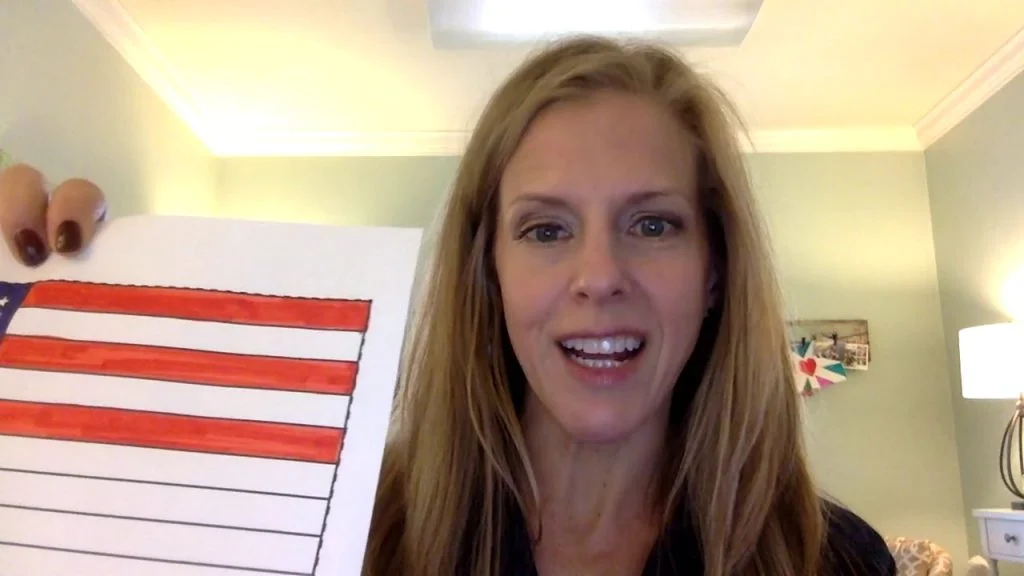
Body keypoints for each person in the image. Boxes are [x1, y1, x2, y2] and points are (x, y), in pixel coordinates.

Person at [0, 36, 896, 576]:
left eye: (653, 224)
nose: (598, 275)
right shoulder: (345, 533)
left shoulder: (833, 561)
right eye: (545, 229)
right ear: (488, 272)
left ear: (715, 271)